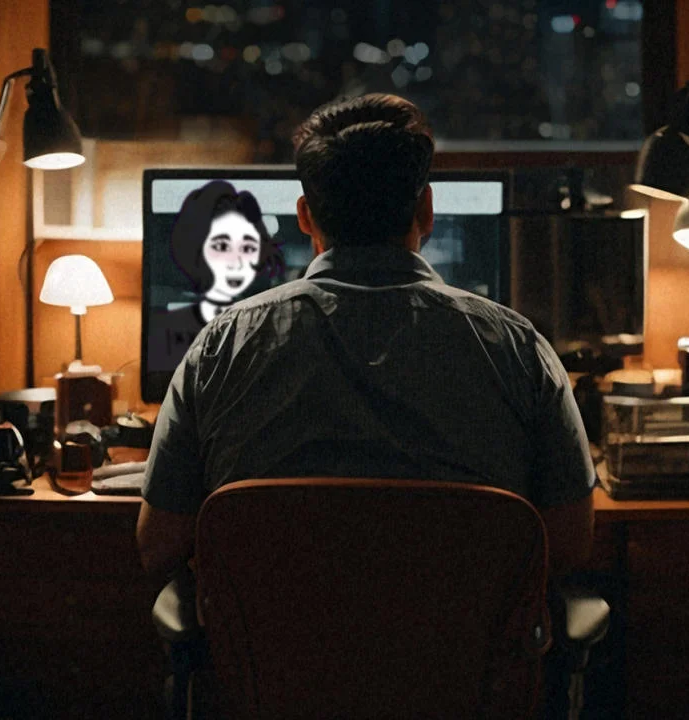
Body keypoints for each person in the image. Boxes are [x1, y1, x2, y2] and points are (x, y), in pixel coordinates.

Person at [136, 93, 595, 715]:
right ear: (426, 208)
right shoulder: (517, 349)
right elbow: (567, 542)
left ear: (304, 215)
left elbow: (159, 544)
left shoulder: (221, 345)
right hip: (461, 699)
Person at [147, 181, 285, 372]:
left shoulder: (274, 330)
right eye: (221, 246)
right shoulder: (166, 328)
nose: (236, 263)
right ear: (197, 247)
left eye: (247, 248)